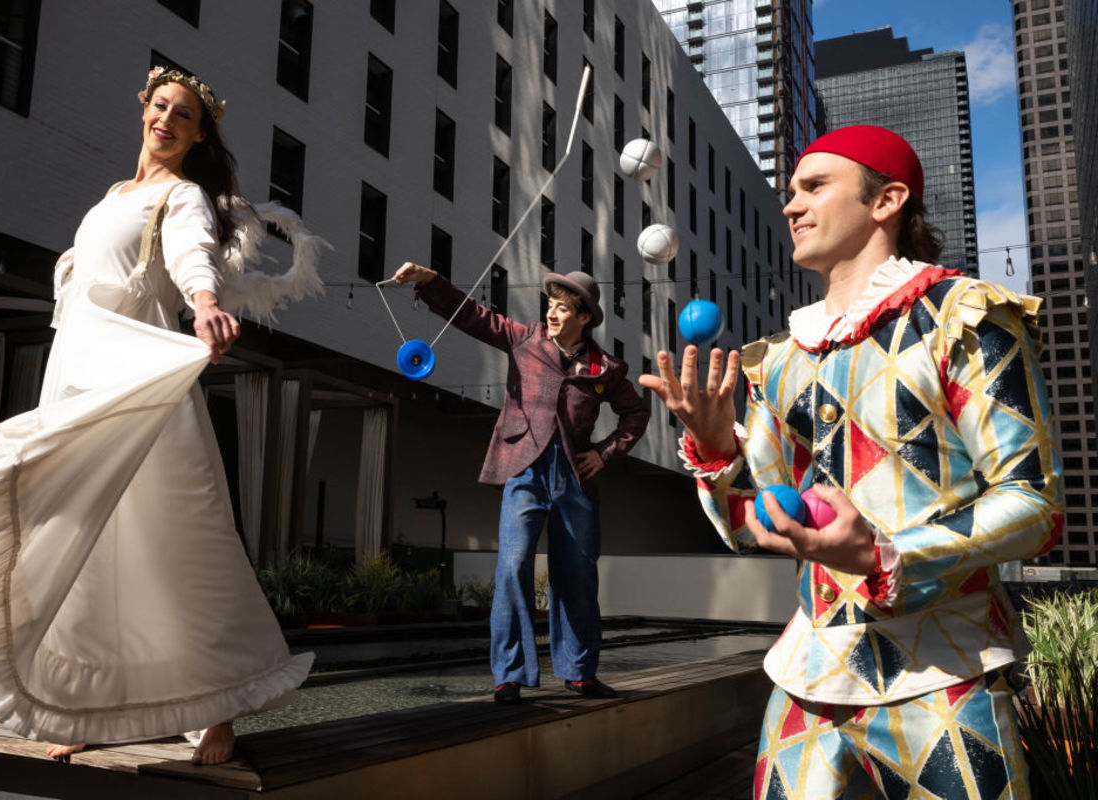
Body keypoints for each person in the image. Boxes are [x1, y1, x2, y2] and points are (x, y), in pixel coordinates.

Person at [641, 125, 1062, 798]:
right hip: (806, 679)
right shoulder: (777, 358)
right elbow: (764, 521)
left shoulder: (964, 315)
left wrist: (887, 551)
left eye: (814, 186)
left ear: (886, 200)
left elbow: (1034, 503)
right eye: (791, 192)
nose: (791, 205)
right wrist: (720, 453)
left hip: (944, 669)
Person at [0, 68, 314, 765]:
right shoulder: (112, 198)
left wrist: (206, 301)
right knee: (82, 537)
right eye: (160, 108)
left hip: (140, 385)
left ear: (198, 133)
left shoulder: (182, 197)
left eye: (184, 116)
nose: (168, 121)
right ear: (143, 112)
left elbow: (192, 254)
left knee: (176, 536)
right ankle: (93, 705)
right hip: (80, 382)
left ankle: (217, 708)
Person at [391, 263, 649, 703]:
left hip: (573, 477)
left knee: (579, 576)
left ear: (584, 317)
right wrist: (430, 281)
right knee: (512, 568)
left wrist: (604, 454)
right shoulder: (524, 339)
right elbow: (472, 314)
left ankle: (580, 673)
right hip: (524, 469)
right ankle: (509, 675)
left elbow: (636, 414)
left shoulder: (606, 368)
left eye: (563, 309)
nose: (552, 314)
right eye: (550, 306)